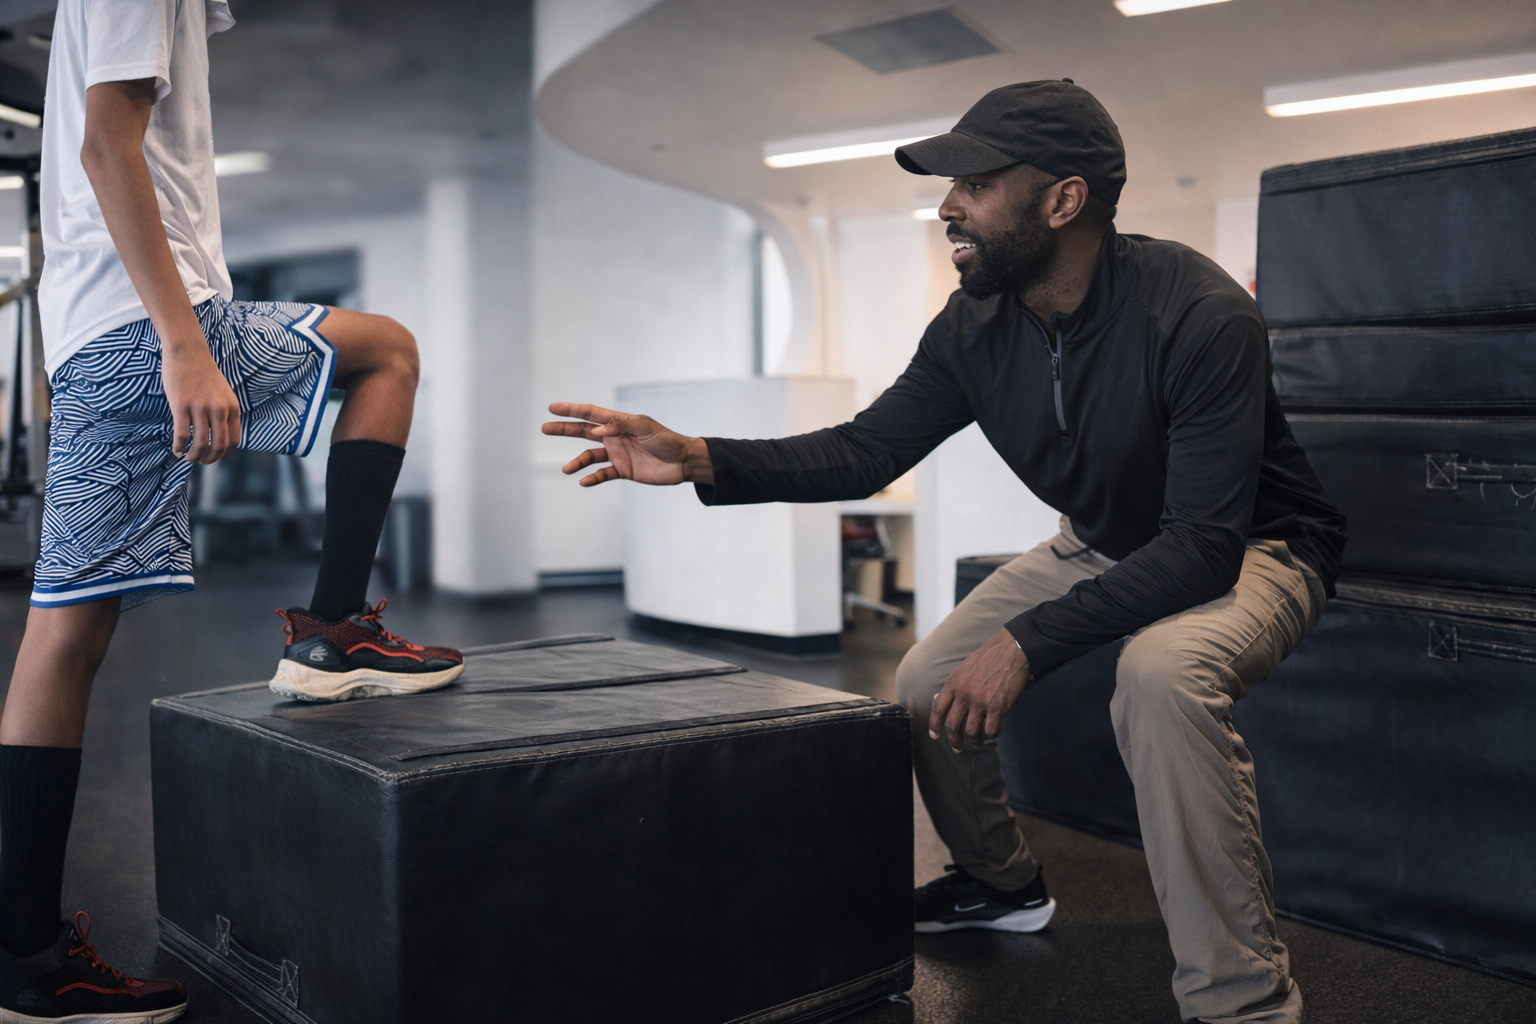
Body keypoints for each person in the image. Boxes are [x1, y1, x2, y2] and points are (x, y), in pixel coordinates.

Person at [543, 80, 1346, 1024]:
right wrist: (702, 458)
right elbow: (865, 449)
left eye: (975, 181)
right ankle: (999, 883)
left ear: (1063, 200)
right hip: (1104, 542)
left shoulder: (1200, 313)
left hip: (1256, 546)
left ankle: (1243, 1004)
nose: (948, 204)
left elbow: (1204, 550)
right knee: (928, 679)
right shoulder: (974, 327)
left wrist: (1028, 643)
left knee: (1161, 677)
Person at [0, 1, 463, 1018]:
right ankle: (334, 634)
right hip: (142, 325)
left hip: (85, 338)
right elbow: (102, 144)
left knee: (59, 639)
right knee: (388, 350)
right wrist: (181, 340)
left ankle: (23, 956)